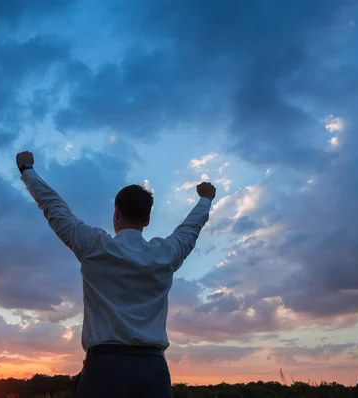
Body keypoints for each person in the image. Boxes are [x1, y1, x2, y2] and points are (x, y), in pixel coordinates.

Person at [17, 151, 216, 398]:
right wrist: (205, 199)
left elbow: (54, 207)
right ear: (147, 220)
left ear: (116, 213)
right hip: (152, 372)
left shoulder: (94, 246)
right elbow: (190, 228)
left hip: (104, 370)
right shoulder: (166, 254)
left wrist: (27, 169)